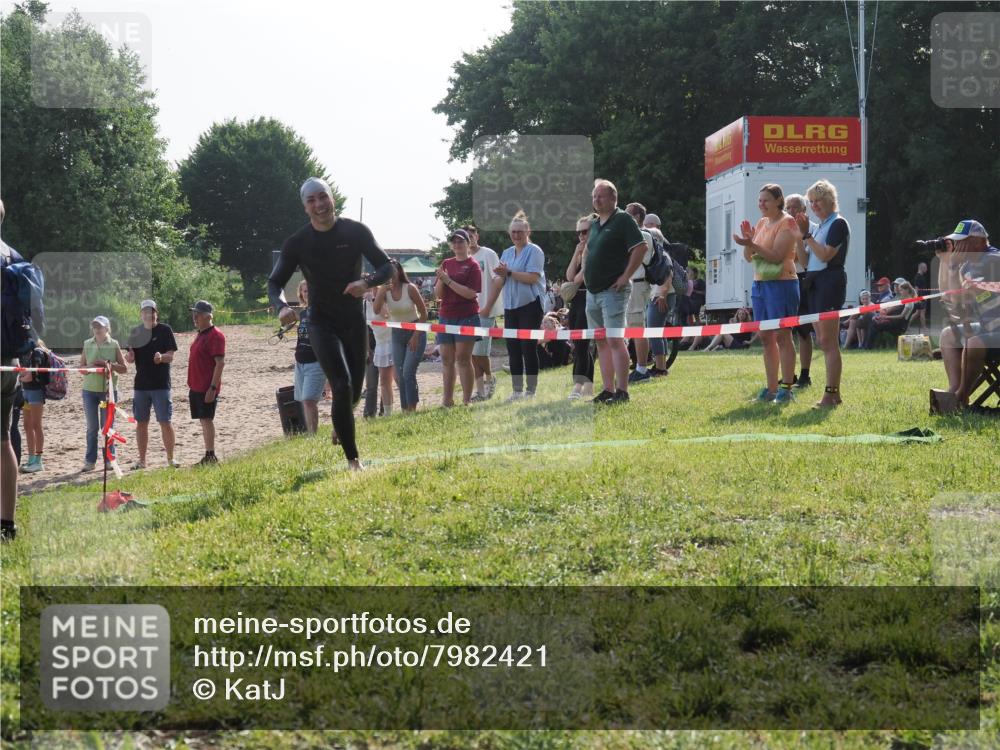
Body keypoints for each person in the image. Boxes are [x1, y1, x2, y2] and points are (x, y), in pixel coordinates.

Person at [268, 178, 392, 471]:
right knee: (341, 383)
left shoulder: (355, 231)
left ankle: (341, 420)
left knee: (353, 393)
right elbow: (274, 282)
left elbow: (386, 266)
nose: (319, 205)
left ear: (332, 198)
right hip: (321, 322)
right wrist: (282, 306)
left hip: (352, 321)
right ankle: (353, 461)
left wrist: (366, 282)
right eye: (311, 200)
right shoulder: (298, 242)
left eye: (322, 197)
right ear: (305, 207)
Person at [583, 179, 648, 405]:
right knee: (601, 342)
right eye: (594, 197)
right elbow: (589, 252)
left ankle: (622, 391)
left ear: (613, 198)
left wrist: (625, 276)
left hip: (613, 291)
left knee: (615, 340)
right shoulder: (594, 224)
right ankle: (608, 390)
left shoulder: (622, 220)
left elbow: (640, 248)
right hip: (593, 292)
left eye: (600, 196)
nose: (596, 200)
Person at [734, 183, 800, 403]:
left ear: (778, 201)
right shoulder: (762, 223)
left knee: (783, 336)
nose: (761, 204)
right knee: (765, 337)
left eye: (766, 200)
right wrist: (748, 243)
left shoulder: (787, 222)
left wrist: (751, 243)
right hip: (760, 285)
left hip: (782, 284)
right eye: (759, 200)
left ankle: (786, 388)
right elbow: (749, 257)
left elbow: (776, 256)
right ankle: (771, 389)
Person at [794, 180, 851, 408]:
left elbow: (826, 255)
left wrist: (807, 235)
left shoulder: (838, 224)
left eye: (818, 201)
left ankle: (830, 394)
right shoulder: (818, 227)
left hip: (830, 282)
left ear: (830, 200)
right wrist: (801, 236)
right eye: (812, 202)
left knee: (828, 341)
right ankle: (833, 394)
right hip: (815, 283)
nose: (814, 206)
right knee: (823, 342)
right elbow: (807, 261)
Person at [934, 220, 1000, 411]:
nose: (958, 247)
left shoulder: (993, 259)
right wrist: (945, 263)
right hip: (989, 328)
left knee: (974, 343)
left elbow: (966, 293)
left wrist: (954, 267)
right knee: (948, 335)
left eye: (962, 242)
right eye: (956, 242)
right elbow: (951, 299)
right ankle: (953, 389)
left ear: (978, 242)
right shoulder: (968, 266)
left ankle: (961, 396)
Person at [482, 213, 546, 401]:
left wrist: (509, 272)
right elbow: (501, 279)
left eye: (520, 231)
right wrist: (489, 301)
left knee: (528, 347)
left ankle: (531, 391)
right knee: (513, 349)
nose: (516, 235)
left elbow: (533, 278)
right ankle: (517, 390)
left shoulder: (535, 251)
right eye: (513, 232)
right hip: (510, 306)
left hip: (530, 305)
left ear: (528, 232)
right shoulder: (507, 252)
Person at [125, 299, 180, 468]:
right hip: (141, 385)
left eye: (152, 311)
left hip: (161, 385)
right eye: (145, 312)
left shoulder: (165, 330)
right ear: (141, 314)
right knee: (141, 423)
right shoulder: (135, 332)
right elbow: (130, 357)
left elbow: (171, 355)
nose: (149, 314)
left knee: (165, 421)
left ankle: (171, 459)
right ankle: (142, 461)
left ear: (156, 313)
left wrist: (162, 357)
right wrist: (129, 357)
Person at [436, 228, 482, 406]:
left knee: (463, 359)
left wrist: (448, 280)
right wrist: (441, 279)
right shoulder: (446, 263)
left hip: (466, 316)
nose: (457, 245)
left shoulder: (473, 265)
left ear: (468, 243)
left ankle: (466, 400)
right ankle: (447, 400)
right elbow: (438, 294)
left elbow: (470, 294)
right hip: (446, 315)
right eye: (454, 242)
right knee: (447, 360)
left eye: (460, 241)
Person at [374, 259, 428, 413]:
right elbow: (377, 310)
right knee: (399, 374)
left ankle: (412, 407)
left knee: (407, 372)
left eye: (394, 270)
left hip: (415, 329)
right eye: (388, 272)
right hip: (397, 334)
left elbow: (424, 314)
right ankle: (405, 409)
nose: (391, 275)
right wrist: (381, 292)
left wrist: (416, 335)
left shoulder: (410, 288)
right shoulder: (385, 291)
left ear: (399, 271)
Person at [79, 316, 127, 472]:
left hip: (108, 392)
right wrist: (91, 367)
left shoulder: (114, 344)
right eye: (94, 326)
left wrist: (109, 366)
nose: (97, 329)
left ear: (107, 328)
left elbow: (124, 368)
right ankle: (90, 461)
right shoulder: (87, 343)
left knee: (107, 427)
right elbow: (82, 368)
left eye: (100, 326)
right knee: (92, 428)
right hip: (89, 391)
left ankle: (109, 459)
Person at [466, 224, 502, 400]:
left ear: (477, 236)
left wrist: (488, 306)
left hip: (485, 310)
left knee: (480, 351)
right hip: (467, 312)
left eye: (471, 235)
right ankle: (480, 390)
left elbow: (498, 280)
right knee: (472, 353)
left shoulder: (488, 254)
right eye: (465, 236)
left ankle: (490, 378)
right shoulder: (462, 257)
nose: (469, 238)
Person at [187, 300, 225, 466]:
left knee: (207, 419)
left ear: (209, 316)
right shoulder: (201, 334)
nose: (195, 316)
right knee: (203, 420)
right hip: (196, 386)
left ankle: (210, 455)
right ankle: (208, 454)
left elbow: (220, 363)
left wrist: (213, 388)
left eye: (199, 313)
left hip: (206, 387)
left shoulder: (215, 335)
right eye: (194, 313)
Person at [786, 193, 817, 389]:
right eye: (788, 207)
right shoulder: (782, 228)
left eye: (795, 207)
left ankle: (805, 374)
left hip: (804, 280)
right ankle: (789, 374)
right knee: (785, 329)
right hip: (785, 281)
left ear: (804, 210)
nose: (791, 211)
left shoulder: (812, 229)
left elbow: (800, 259)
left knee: (804, 331)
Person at [290, 280, 328, 434]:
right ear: (301, 294)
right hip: (300, 361)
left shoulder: (322, 312)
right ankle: (309, 434)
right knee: (302, 401)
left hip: (316, 362)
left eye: (310, 291)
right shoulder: (303, 313)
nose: (307, 294)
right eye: (304, 291)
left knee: (309, 400)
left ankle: (313, 435)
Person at [623, 202, 656, 384]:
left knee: (637, 328)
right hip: (634, 285)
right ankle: (639, 366)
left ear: (636, 217)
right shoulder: (639, 235)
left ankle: (642, 369)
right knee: (633, 327)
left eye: (627, 215)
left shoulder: (642, 235)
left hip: (638, 284)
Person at [565, 215, 596, 399]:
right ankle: (588, 386)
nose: (581, 236)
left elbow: (578, 279)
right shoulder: (581, 250)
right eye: (579, 233)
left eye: (585, 232)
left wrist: (583, 256)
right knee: (579, 345)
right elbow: (570, 276)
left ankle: (577, 386)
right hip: (576, 301)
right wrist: (576, 254)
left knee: (582, 346)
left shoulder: (594, 251)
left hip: (588, 298)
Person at [643, 222, 673, 377]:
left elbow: (668, 275)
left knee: (654, 332)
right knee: (657, 332)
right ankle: (660, 365)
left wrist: (662, 295)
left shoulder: (662, 255)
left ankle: (661, 368)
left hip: (660, 296)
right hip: (657, 295)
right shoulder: (659, 255)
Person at [17, 339, 51, 473]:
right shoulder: (26, 353)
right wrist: (21, 376)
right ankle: (31, 458)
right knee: (27, 425)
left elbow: (30, 376)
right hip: (26, 392)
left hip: (35, 392)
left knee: (36, 425)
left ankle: (38, 459)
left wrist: (19, 377)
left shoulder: (37, 353)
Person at [363, 289, 395, 416]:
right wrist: (366, 349)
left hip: (390, 342)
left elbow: (387, 316)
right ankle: (369, 414)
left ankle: (386, 412)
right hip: (374, 344)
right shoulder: (364, 304)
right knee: (371, 384)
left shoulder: (386, 296)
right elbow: (364, 328)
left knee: (388, 380)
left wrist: (374, 300)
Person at [864, 280, 917, 349]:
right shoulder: (904, 300)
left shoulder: (909, 303)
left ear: (906, 290)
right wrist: (882, 316)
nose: (900, 292)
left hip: (899, 325)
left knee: (874, 324)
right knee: (874, 321)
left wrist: (886, 317)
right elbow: (894, 308)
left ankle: (867, 347)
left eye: (901, 290)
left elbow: (901, 317)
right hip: (894, 322)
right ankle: (867, 346)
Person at [914, 261, 931, 334]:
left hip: (923, 296)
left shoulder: (921, 276)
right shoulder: (918, 277)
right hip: (921, 297)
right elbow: (916, 288)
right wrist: (917, 298)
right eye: (926, 268)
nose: (927, 269)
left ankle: (907, 324)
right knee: (922, 313)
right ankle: (924, 328)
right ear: (922, 268)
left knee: (917, 313)